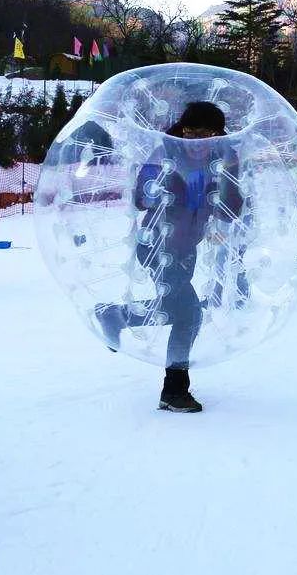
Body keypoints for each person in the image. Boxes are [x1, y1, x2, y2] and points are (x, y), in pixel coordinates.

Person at [95, 102, 240, 413]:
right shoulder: (164, 153)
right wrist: (163, 183)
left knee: (173, 309)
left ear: (217, 135)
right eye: (190, 131)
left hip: (187, 247)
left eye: (206, 134)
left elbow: (233, 207)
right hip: (156, 245)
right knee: (189, 314)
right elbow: (141, 198)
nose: (196, 141)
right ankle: (174, 390)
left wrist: (229, 176)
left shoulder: (223, 157)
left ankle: (116, 315)